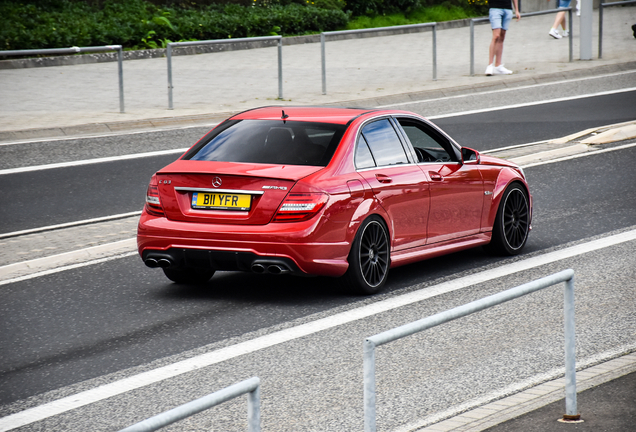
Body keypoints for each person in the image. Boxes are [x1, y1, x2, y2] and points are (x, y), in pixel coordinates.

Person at [485, 0, 521, 76]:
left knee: (502, 37)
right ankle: (490, 65)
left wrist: (516, 10)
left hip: (507, 8)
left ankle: (498, 65)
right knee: (496, 36)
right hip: (495, 8)